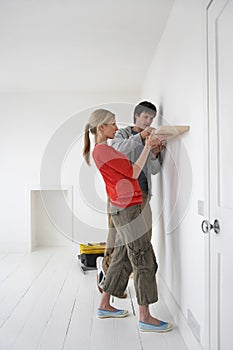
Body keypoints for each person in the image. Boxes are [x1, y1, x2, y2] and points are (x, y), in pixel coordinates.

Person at [83, 109, 172, 332]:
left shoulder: (105, 149)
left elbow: (130, 171)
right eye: (112, 124)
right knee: (143, 257)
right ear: (101, 128)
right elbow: (133, 173)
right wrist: (148, 147)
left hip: (124, 208)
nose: (116, 127)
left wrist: (149, 149)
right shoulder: (102, 150)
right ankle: (145, 317)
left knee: (122, 257)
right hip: (126, 209)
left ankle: (104, 305)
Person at [97, 102, 165, 295]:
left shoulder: (149, 138)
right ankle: (106, 275)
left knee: (143, 241)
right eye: (145, 117)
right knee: (117, 242)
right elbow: (119, 150)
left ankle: (120, 284)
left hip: (142, 195)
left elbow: (154, 170)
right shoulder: (122, 134)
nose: (148, 122)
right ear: (136, 116)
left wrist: (154, 154)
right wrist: (141, 138)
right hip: (121, 199)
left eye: (151, 119)